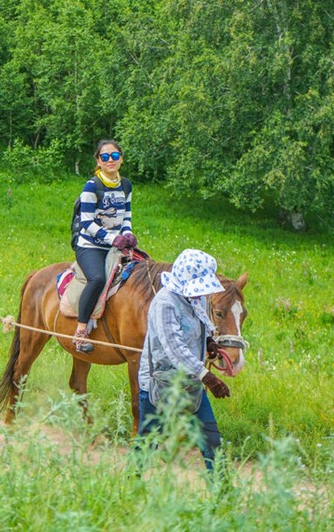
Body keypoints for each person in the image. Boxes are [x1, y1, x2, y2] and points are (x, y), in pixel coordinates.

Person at [136, 249, 231, 471]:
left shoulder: (194, 298)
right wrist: (208, 377)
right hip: (160, 383)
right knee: (148, 442)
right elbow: (174, 348)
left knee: (211, 441)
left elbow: (200, 322)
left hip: (191, 383)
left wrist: (208, 341)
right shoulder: (165, 303)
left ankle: (223, 494)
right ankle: (130, 487)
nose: (203, 293)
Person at [73, 139, 137, 353]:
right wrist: (112, 239)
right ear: (98, 161)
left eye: (115, 156)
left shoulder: (126, 185)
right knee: (98, 278)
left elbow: (126, 215)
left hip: (115, 245)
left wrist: (127, 234)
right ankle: (81, 331)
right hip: (90, 245)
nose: (111, 160)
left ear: (121, 159)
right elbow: (87, 222)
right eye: (105, 157)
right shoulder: (92, 186)